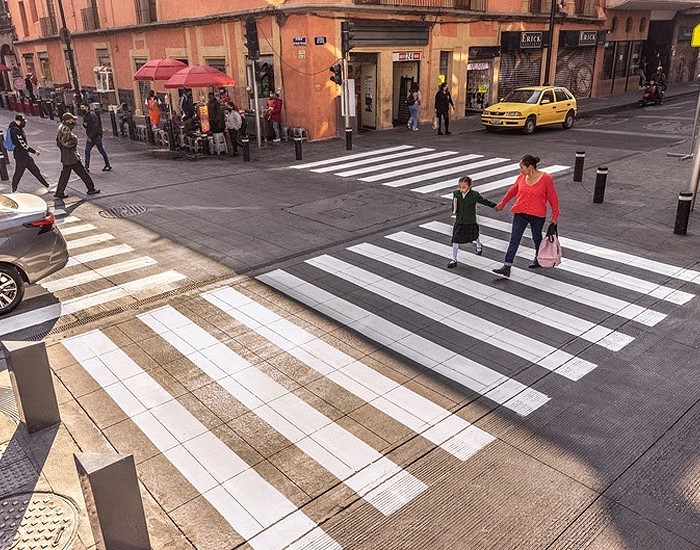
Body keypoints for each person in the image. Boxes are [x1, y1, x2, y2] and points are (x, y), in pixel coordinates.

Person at [492, 155, 560, 278]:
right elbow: (512, 190)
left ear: (530, 167)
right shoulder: (521, 177)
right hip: (520, 213)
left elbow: (553, 198)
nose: (520, 170)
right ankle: (507, 266)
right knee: (514, 239)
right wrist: (502, 203)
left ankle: (538, 258)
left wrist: (555, 216)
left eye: (522, 167)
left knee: (536, 238)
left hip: (537, 215)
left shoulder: (546, 179)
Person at [447, 176, 497, 269]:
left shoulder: (474, 195)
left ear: (469, 186)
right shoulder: (456, 193)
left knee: (474, 236)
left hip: (470, 220)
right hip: (460, 220)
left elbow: (483, 201)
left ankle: (478, 244)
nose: (461, 189)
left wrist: (494, 206)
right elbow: (455, 204)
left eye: (464, 187)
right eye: (460, 187)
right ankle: (454, 259)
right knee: (455, 239)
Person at [54, 113, 100, 199]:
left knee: (65, 174)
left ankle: (59, 192)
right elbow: (65, 143)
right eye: (72, 119)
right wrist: (74, 140)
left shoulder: (62, 127)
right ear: (68, 120)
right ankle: (91, 188)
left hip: (66, 156)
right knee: (82, 173)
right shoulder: (66, 129)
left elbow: (58, 142)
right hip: (71, 156)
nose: (74, 121)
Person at [8, 114, 50, 193]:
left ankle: (47, 185)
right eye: (22, 121)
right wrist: (34, 151)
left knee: (35, 171)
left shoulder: (18, 128)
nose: (24, 123)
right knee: (19, 173)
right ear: (17, 121)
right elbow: (22, 144)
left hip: (24, 155)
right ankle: (14, 190)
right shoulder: (15, 130)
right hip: (20, 155)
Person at [80, 103, 111, 172]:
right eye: (81, 107)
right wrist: (85, 125)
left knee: (101, 150)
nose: (82, 109)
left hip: (96, 136)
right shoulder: (85, 115)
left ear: (87, 107)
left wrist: (91, 136)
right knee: (87, 150)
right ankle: (86, 167)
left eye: (83, 107)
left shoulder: (92, 115)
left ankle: (107, 165)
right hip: (91, 136)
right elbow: (88, 126)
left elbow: (96, 126)